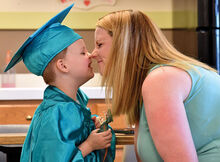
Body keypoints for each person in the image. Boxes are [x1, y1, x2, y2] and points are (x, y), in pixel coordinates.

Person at [91, 9, 220, 162]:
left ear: (123, 45)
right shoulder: (150, 83)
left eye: (99, 44)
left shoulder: (160, 80)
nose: (93, 53)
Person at [4, 4, 115, 162]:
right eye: (83, 52)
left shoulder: (73, 104)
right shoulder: (55, 113)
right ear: (63, 66)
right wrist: (89, 146)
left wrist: (93, 127)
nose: (90, 55)